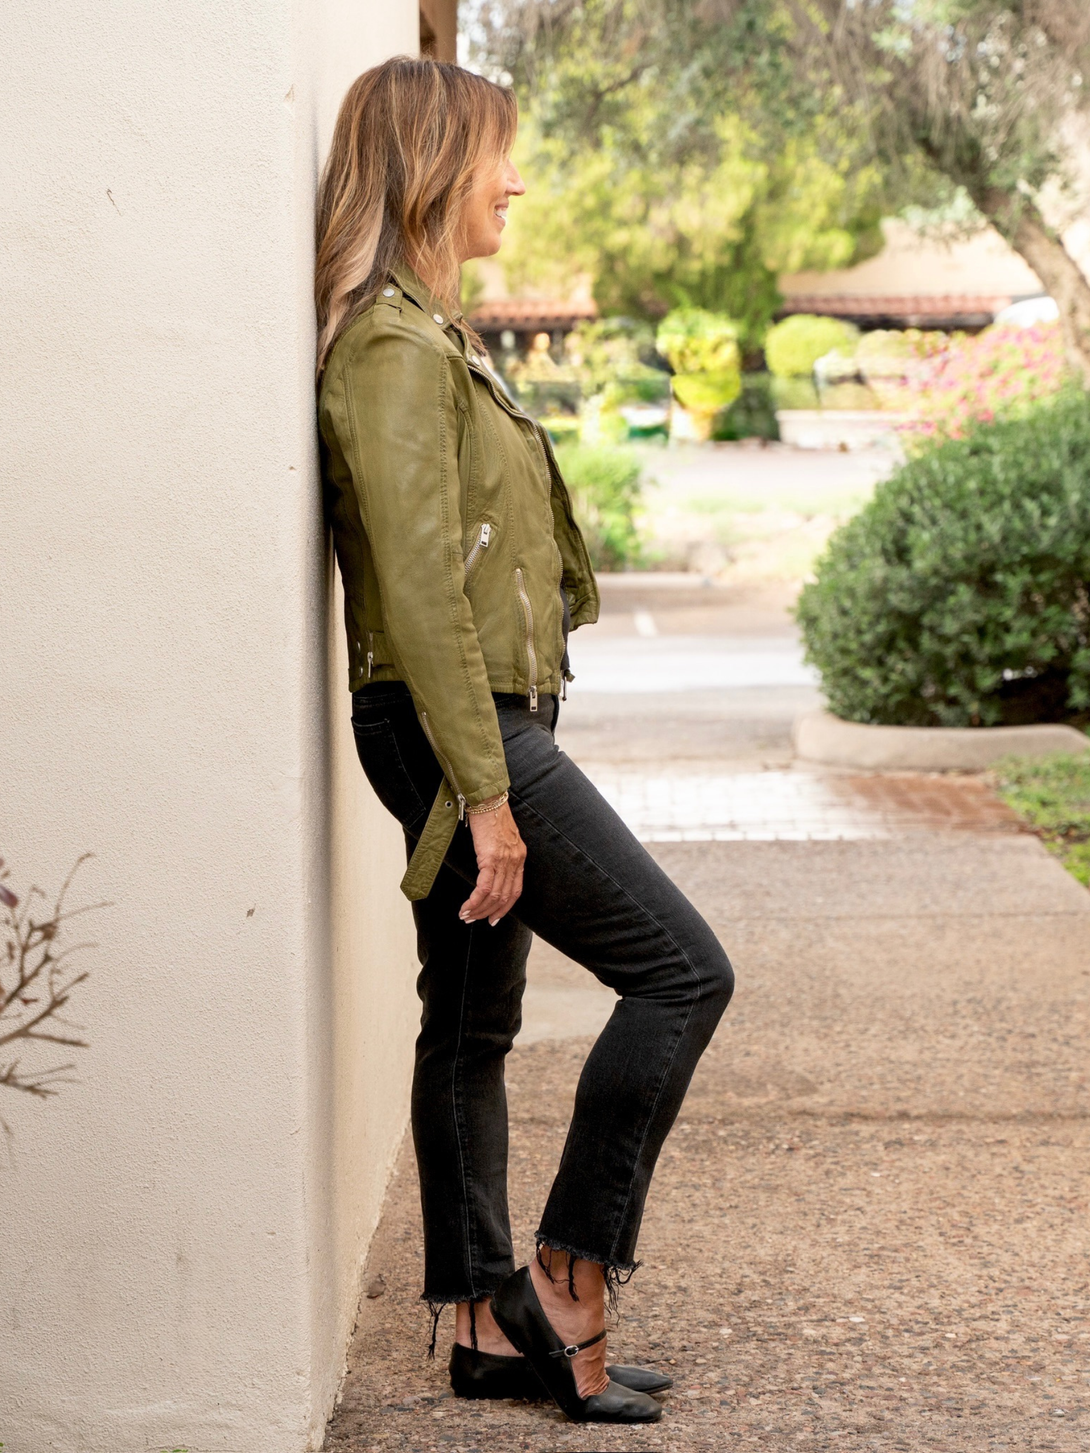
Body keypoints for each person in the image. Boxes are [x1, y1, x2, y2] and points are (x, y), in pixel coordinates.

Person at [314, 56, 734, 1426]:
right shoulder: (385, 343)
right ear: (434, 165)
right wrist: (487, 794)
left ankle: (485, 1328)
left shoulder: (428, 333)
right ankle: (563, 1280)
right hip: (452, 727)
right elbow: (421, 582)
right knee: (680, 972)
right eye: (499, 153)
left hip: (468, 720)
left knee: (472, 1020)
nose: (514, 179)